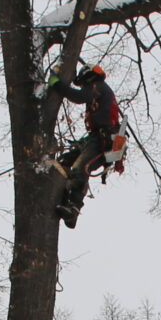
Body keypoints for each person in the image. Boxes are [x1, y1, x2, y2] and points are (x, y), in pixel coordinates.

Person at [52, 62, 125, 227]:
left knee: (81, 167)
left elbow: (77, 96)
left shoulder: (97, 86)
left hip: (104, 140)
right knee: (65, 162)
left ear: (88, 76)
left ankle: (73, 208)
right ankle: (63, 198)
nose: (83, 86)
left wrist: (56, 84)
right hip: (95, 138)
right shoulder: (97, 88)